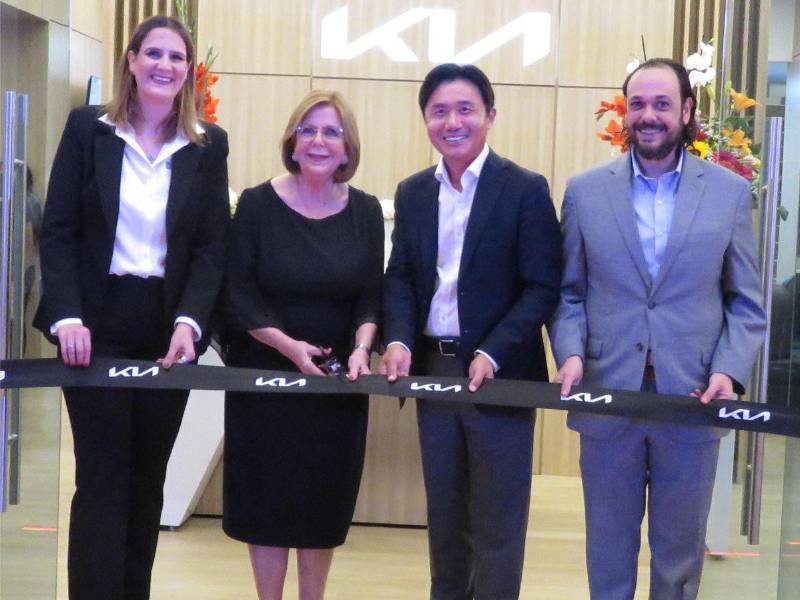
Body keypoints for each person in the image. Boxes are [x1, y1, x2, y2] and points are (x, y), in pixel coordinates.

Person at [549, 58, 766, 600]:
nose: (649, 115)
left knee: (677, 561)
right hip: (607, 395)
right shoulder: (585, 193)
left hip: (691, 402)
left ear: (687, 111)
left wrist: (728, 370)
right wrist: (570, 353)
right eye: (638, 104)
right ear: (626, 112)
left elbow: (746, 302)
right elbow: (568, 291)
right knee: (608, 555)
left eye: (662, 104)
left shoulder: (728, 194)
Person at [33, 15, 229, 599]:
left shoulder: (206, 144)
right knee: (102, 480)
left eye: (176, 58)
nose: (165, 66)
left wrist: (191, 324)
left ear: (188, 71)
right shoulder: (88, 129)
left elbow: (211, 248)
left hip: (168, 329)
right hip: (94, 324)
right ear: (132, 61)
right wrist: (67, 315)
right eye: (155, 54)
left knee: (148, 482)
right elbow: (60, 229)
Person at [380, 63, 562, 600]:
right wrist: (397, 339)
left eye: (465, 109)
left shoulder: (524, 189)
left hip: (499, 376)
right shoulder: (413, 192)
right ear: (425, 120)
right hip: (433, 373)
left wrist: (493, 351)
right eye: (439, 111)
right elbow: (402, 278)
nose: (452, 121)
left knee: (498, 524)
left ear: (490, 115)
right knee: (445, 517)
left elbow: (541, 287)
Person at [223, 89, 384, 600]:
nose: (319, 140)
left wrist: (362, 348)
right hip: (264, 385)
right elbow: (238, 295)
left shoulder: (365, 211)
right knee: (267, 512)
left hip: (334, 389)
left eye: (331, 131)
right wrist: (287, 345)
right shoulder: (255, 204)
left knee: (320, 510)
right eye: (308, 130)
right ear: (292, 142)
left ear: (347, 147)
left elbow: (370, 297)